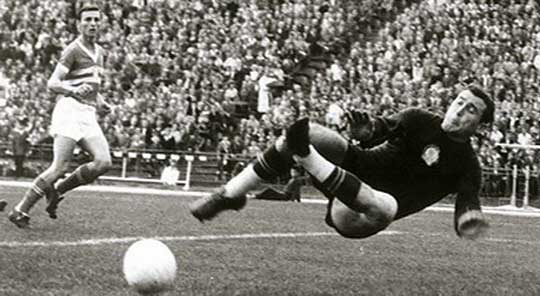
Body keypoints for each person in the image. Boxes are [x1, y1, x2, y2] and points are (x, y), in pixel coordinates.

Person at [190, 85, 493, 240]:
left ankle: (306, 158)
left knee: (387, 206)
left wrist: (469, 222)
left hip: (361, 210)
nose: (459, 111)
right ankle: (228, 195)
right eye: (459, 102)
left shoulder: (468, 165)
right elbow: (379, 129)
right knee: (305, 133)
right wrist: (365, 130)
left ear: (480, 125)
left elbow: (468, 205)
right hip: (354, 167)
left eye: (470, 110)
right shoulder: (418, 118)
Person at [8, 4, 112, 228]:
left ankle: (57, 190)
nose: (92, 24)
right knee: (59, 167)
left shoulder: (101, 53)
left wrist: (102, 102)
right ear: (79, 24)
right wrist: (73, 90)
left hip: (88, 112)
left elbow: (92, 84)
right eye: (87, 20)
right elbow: (52, 83)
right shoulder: (73, 50)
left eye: (96, 20)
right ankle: (20, 210)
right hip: (69, 110)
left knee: (103, 162)